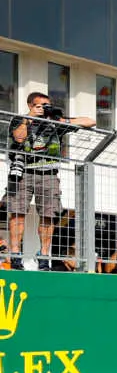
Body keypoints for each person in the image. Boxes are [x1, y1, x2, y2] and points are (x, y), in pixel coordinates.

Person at [9, 93, 95, 269]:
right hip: (23, 172)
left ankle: (43, 256)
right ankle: (15, 254)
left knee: (49, 216)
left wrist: (63, 121)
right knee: (17, 213)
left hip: (49, 173)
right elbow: (18, 137)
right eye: (39, 105)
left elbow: (90, 121)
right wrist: (30, 117)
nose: (44, 109)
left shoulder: (55, 121)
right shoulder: (21, 119)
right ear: (30, 105)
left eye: (46, 105)